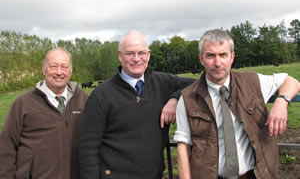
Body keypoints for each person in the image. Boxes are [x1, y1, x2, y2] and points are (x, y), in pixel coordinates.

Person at [174, 29, 300, 179]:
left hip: (252, 175)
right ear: (201, 59)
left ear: (232, 57)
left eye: (223, 55)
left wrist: (281, 102)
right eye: (210, 56)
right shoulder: (188, 98)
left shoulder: (253, 82)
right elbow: (183, 146)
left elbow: (291, 81)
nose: (217, 62)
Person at [79, 30, 195, 179]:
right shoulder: (101, 94)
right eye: (130, 53)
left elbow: (198, 83)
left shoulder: (163, 82)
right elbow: (88, 148)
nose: (136, 59)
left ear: (148, 55)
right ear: (120, 55)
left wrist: (175, 99)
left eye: (141, 53)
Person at [0, 48, 88, 179]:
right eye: (53, 66)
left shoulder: (83, 99)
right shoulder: (23, 103)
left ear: (70, 70)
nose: (59, 72)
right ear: (44, 69)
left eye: (64, 67)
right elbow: (7, 147)